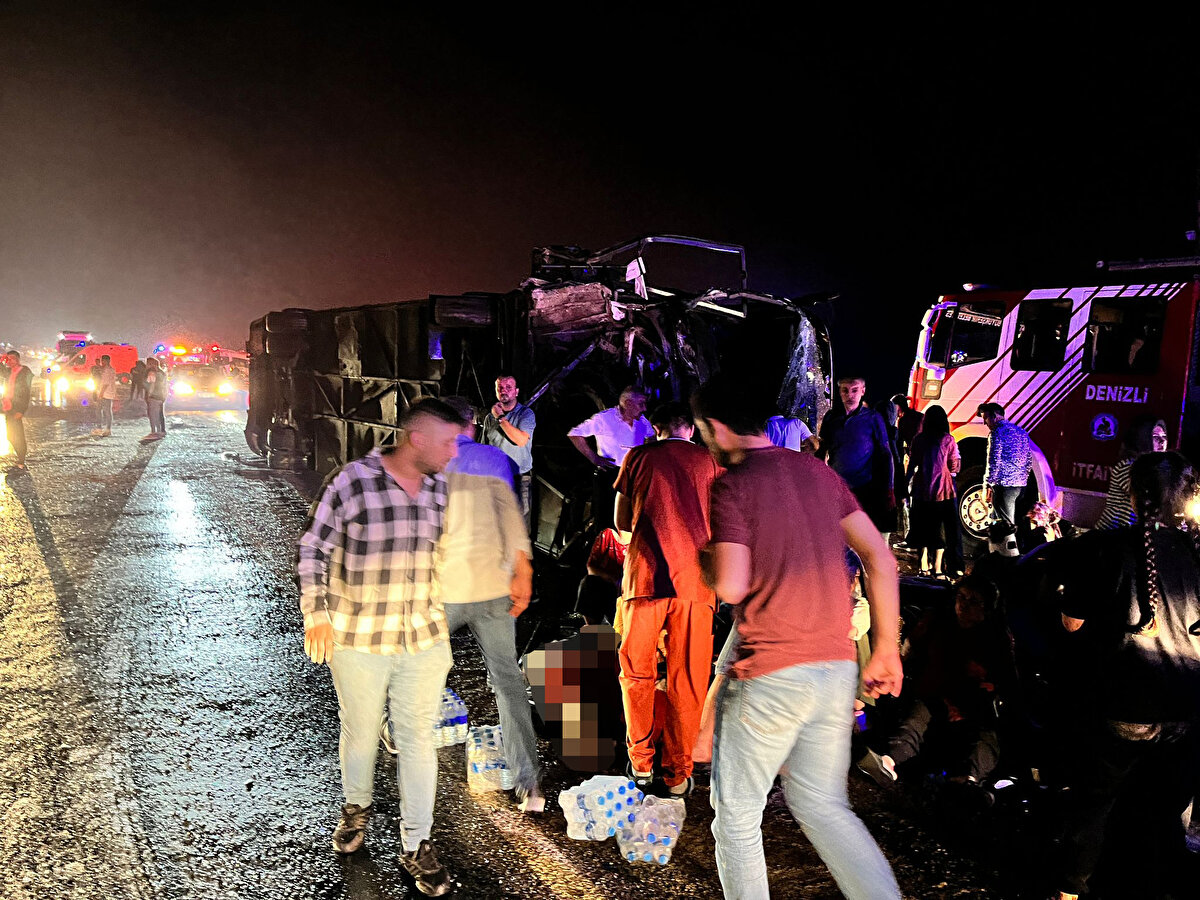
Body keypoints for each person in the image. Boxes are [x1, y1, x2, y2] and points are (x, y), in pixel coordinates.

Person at [692, 376, 903, 900]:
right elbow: (880, 557)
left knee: (737, 816)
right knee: (823, 806)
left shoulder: (732, 484)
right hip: (834, 668)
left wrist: (705, 559)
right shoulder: (818, 471)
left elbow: (732, 584)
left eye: (703, 433)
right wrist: (885, 649)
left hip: (769, 673)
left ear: (716, 428)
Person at [296, 398, 463, 897]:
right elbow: (312, 547)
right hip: (360, 638)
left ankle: (417, 843)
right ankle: (356, 809)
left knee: (417, 740)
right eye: (449, 440)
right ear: (417, 439)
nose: (455, 450)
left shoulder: (439, 488)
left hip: (424, 639)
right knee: (362, 731)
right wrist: (317, 613)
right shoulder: (353, 481)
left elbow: (447, 554)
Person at [1053, 452, 1200, 900]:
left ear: (1133, 494)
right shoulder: (1196, 549)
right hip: (1187, 707)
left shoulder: (1105, 548)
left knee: (1096, 803)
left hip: (1125, 703)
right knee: (1164, 810)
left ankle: (1070, 890)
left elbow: (1071, 622)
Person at [435, 397, 544, 813]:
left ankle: (396, 733)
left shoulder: (431, 464)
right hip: (495, 587)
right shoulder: (500, 461)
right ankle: (529, 785)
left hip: (446, 589)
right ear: (473, 426)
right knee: (507, 682)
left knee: (417, 666)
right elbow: (514, 519)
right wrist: (523, 571)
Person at [614, 401, 721, 797]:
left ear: (655, 426)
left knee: (637, 674)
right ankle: (678, 774)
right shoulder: (710, 463)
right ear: (690, 429)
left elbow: (622, 524)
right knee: (688, 680)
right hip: (696, 585)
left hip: (645, 580)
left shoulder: (638, 457)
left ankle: (641, 764)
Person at [857, 575, 1016, 793]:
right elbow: (913, 654)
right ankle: (888, 763)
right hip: (933, 696)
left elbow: (1006, 681)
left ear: (987, 608)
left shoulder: (996, 637)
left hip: (972, 706)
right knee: (914, 722)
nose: (963, 605)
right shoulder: (939, 621)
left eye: (973, 601)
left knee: (986, 737)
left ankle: (966, 781)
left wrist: (980, 694)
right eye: (961, 597)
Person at [818, 376, 896, 541]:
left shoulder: (873, 418)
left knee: (860, 536)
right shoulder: (831, 418)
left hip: (864, 487)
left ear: (863, 391)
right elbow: (822, 450)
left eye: (854, 390)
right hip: (837, 487)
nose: (850, 395)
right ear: (839, 392)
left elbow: (886, 454)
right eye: (845, 390)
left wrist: (889, 488)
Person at [568, 385, 654, 530]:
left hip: (633, 475)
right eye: (641, 404)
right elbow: (575, 434)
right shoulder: (604, 419)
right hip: (609, 474)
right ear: (628, 403)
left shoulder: (642, 421)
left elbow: (652, 436)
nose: (644, 408)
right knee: (605, 518)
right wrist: (594, 458)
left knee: (630, 516)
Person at [905, 404, 961, 577]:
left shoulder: (919, 439)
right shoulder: (948, 440)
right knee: (940, 530)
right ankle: (938, 568)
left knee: (921, 527)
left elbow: (912, 463)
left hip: (921, 489)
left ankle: (923, 565)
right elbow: (954, 466)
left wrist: (905, 485)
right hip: (942, 490)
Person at [1095, 415, 1168, 530]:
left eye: (1164, 436)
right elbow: (1145, 494)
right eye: (1155, 437)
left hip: (1131, 536)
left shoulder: (1156, 468)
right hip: (1111, 535)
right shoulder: (1127, 465)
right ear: (1143, 439)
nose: (1162, 441)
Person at [479, 374, 536, 521]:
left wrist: (500, 418)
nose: (504, 391)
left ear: (516, 392)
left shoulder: (526, 414)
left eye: (508, 388)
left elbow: (521, 440)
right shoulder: (489, 418)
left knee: (518, 526)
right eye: (500, 388)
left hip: (519, 479)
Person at [977, 402, 1032, 527]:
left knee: (1005, 528)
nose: (985, 423)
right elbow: (1028, 460)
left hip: (1004, 486)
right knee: (1016, 525)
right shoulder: (1021, 432)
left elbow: (994, 461)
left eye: (985, 418)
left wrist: (987, 485)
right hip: (1021, 486)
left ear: (995, 416)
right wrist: (1023, 479)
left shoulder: (997, 433)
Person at [1, 351, 33, 473]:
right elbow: (1, 371)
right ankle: (20, 457)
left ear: (18, 359)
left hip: (17, 407)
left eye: (12, 359)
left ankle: (21, 460)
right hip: (8, 406)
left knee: (18, 434)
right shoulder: (8, 371)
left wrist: (21, 410)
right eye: (8, 359)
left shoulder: (25, 372)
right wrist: (1, 360)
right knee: (10, 436)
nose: (10, 361)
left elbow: (26, 392)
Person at [91, 355, 117, 437]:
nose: (102, 363)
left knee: (105, 411)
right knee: (102, 410)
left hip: (105, 393)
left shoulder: (107, 371)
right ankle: (103, 428)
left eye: (103, 361)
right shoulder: (110, 369)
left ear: (107, 361)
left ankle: (105, 429)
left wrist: (101, 394)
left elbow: (105, 383)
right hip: (108, 393)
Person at [143, 358, 167, 440]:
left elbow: (151, 385)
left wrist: (149, 394)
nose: (147, 365)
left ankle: (155, 432)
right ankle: (161, 431)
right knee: (159, 414)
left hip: (154, 396)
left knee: (153, 415)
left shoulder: (152, 373)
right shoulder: (162, 373)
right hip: (161, 396)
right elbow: (164, 386)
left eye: (148, 364)